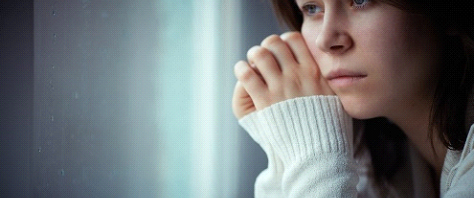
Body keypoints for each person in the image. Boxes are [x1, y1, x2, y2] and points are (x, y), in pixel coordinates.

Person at [232, 0, 474, 197]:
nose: (326, 40)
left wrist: (315, 158)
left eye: (360, 1)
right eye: (312, 8)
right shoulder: (378, 161)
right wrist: (285, 146)